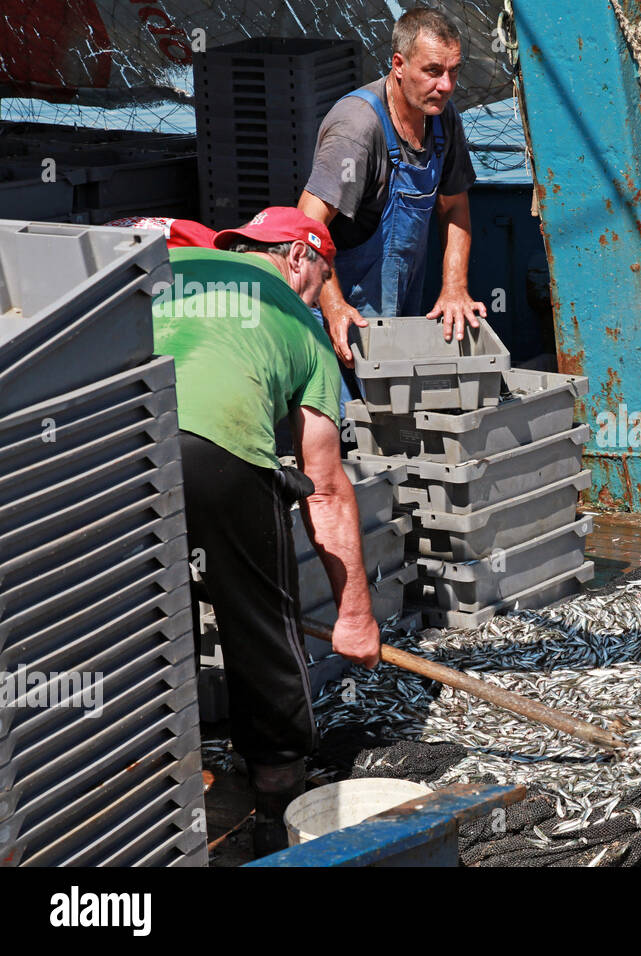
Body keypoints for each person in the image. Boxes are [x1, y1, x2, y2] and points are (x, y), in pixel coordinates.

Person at [151, 206, 381, 856]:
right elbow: (327, 488)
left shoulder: (178, 262)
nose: (315, 295)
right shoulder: (299, 325)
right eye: (321, 279)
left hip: (105, 441)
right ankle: (277, 797)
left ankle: (137, 780)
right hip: (216, 448)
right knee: (263, 623)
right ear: (300, 258)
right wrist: (355, 615)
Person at [298, 5, 485, 412]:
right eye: (433, 71)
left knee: (397, 425)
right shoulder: (357, 128)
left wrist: (454, 287)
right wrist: (333, 306)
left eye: (454, 71)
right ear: (398, 64)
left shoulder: (442, 119)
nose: (446, 84)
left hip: (396, 313)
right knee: (346, 434)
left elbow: (454, 208)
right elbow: (306, 226)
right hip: (333, 312)